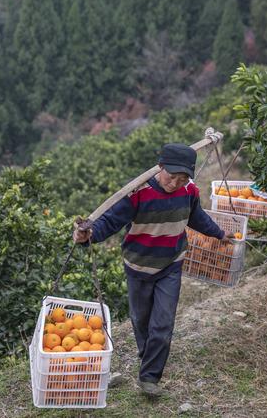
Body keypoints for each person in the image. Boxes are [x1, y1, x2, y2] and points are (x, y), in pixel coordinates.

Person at [73, 143, 234, 397]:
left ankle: (149, 377)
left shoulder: (189, 191)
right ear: (160, 168)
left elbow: (196, 217)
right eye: (172, 176)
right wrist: (89, 235)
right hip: (138, 265)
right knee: (141, 320)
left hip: (170, 264)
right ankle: (146, 353)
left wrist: (219, 233)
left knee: (163, 323)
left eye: (182, 178)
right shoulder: (139, 192)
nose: (175, 183)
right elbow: (111, 221)